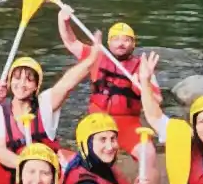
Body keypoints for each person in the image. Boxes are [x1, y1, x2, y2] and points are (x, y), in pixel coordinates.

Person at [0, 48, 98, 184]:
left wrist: (91, 59)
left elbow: (67, 83)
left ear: (36, 86)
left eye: (29, 80)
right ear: (9, 82)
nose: (22, 84)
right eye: (17, 78)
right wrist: (31, 166)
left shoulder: (44, 106)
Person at [57, 10, 148, 157]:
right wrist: (64, 21)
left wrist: (144, 86)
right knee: (90, 156)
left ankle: (144, 180)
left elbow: (157, 100)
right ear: (109, 43)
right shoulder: (96, 55)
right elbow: (71, 42)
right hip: (98, 120)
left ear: (133, 44)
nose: (121, 44)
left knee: (147, 153)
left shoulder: (142, 67)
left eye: (126, 40)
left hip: (127, 122)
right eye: (116, 39)